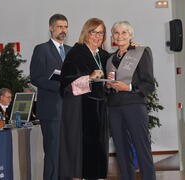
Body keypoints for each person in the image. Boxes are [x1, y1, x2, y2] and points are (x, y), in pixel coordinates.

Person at [59, 18, 110, 180]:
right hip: (80, 109)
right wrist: (89, 77)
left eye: (100, 33)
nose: (97, 36)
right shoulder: (76, 53)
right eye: (93, 32)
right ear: (86, 33)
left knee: (99, 151)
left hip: (100, 109)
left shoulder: (103, 55)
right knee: (79, 155)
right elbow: (66, 83)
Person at [106, 21, 156, 180]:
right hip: (114, 108)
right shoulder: (110, 59)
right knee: (121, 151)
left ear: (130, 35)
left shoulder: (141, 52)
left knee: (142, 149)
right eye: (116, 33)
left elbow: (149, 84)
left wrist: (127, 87)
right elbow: (108, 88)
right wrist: (108, 85)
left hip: (134, 105)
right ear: (112, 36)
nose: (120, 36)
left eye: (124, 33)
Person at [30, 14, 71, 180]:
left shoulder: (70, 50)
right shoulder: (42, 49)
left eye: (66, 27)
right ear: (51, 28)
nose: (63, 30)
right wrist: (58, 85)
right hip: (51, 110)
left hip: (70, 110)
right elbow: (35, 77)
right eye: (60, 26)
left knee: (67, 154)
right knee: (53, 154)